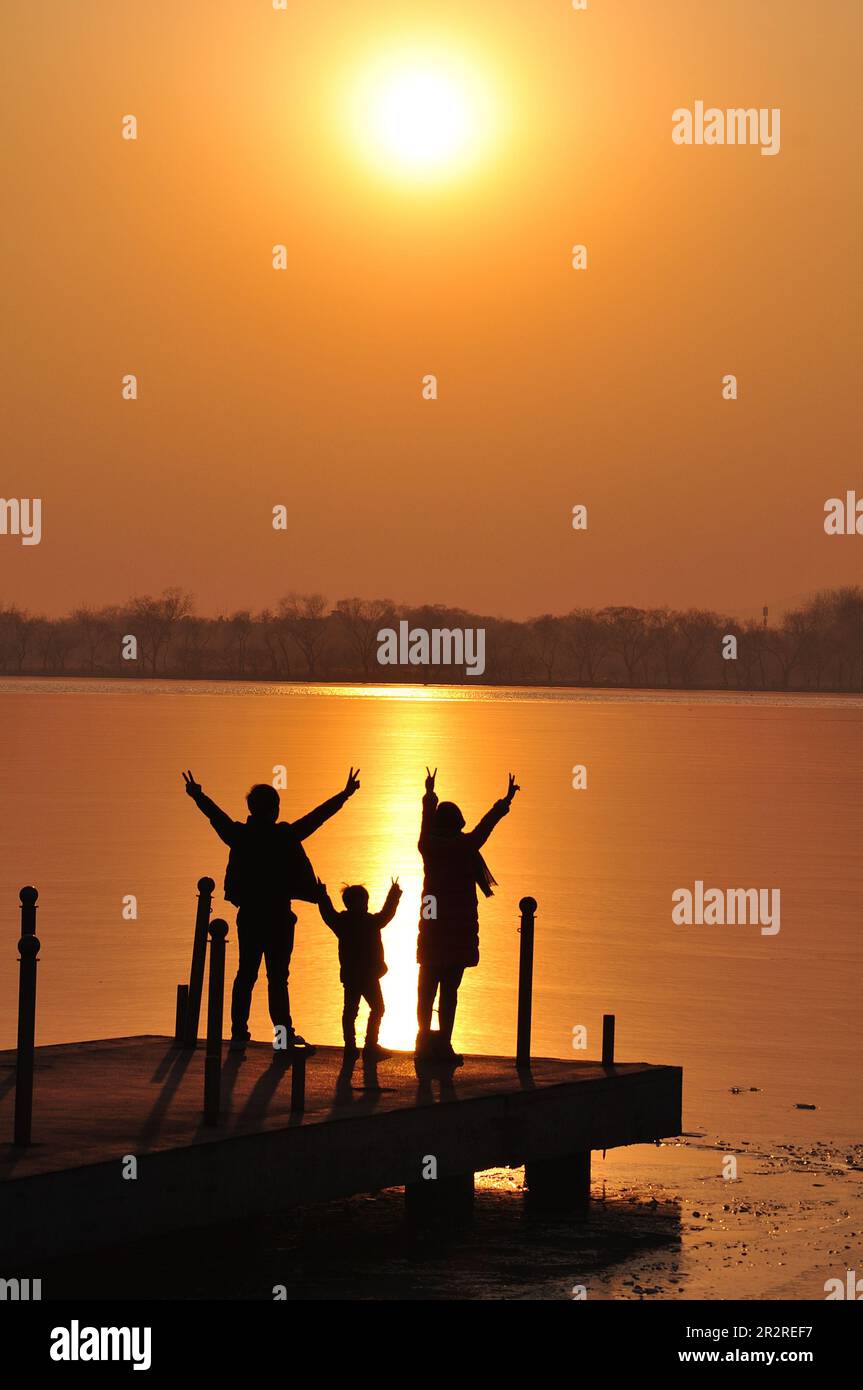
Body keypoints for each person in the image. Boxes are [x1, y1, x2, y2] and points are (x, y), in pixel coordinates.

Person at [182, 767, 360, 1053]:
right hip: (279, 917)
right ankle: (282, 1037)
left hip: (250, 916)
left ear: (251, 808)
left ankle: (239, 1033)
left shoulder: (240, 835)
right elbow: (317, 818)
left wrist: (198, 796)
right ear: (276, 810)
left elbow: (216, 817)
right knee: (278, 978)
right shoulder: (285, 835)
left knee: (246, 974)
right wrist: (344, 795)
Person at [416, 767, 520, 1065]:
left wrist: (429, 795)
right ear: (459, 822)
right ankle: (444, 1044)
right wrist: (505, 801)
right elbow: (486, 827)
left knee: (426, 988)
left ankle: (423, 1041)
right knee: (449, 990)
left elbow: (425, 823)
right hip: (459, 929)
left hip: (432, 925)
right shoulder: (465, 846)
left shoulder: (429, 846)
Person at [315, 876, 402, 1060]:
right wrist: (394, 894)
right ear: (361, 903)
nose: (366, 905)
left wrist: (322, 895)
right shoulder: (370, 922)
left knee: (350, 1012)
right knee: (377, 1008)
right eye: (365, 901)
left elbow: (327, 913)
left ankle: (350, 1047)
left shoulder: (341, 922)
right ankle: (370, 1046)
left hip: (351, 976)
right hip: (369, 976)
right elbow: (387, 913)